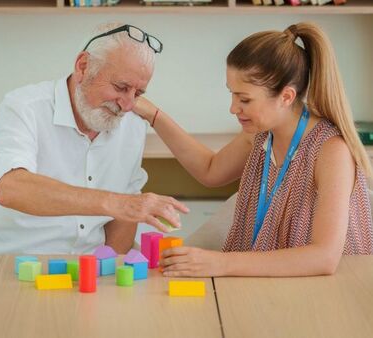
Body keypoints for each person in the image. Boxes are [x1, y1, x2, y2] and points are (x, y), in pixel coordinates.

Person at [133, 22, 373, 277]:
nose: (233, 108)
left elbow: (323, 258)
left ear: (286, 97)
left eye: (245, 99)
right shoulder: (260, 135)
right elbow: (210, 170)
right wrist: (152, 114)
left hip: (326, 291)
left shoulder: (330, 150)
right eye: (232, 94)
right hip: (268, 283)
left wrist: (220, 263)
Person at [0, 23, 189, 255]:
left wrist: (106, 271)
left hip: (82, 273)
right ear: (83, 66)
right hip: (2, 265)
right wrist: (118, 203)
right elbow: (11, 188)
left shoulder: (132, 124)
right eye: (120, 87)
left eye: (137, 94)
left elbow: (123, 220)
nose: (127, 105)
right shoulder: (24, 107)